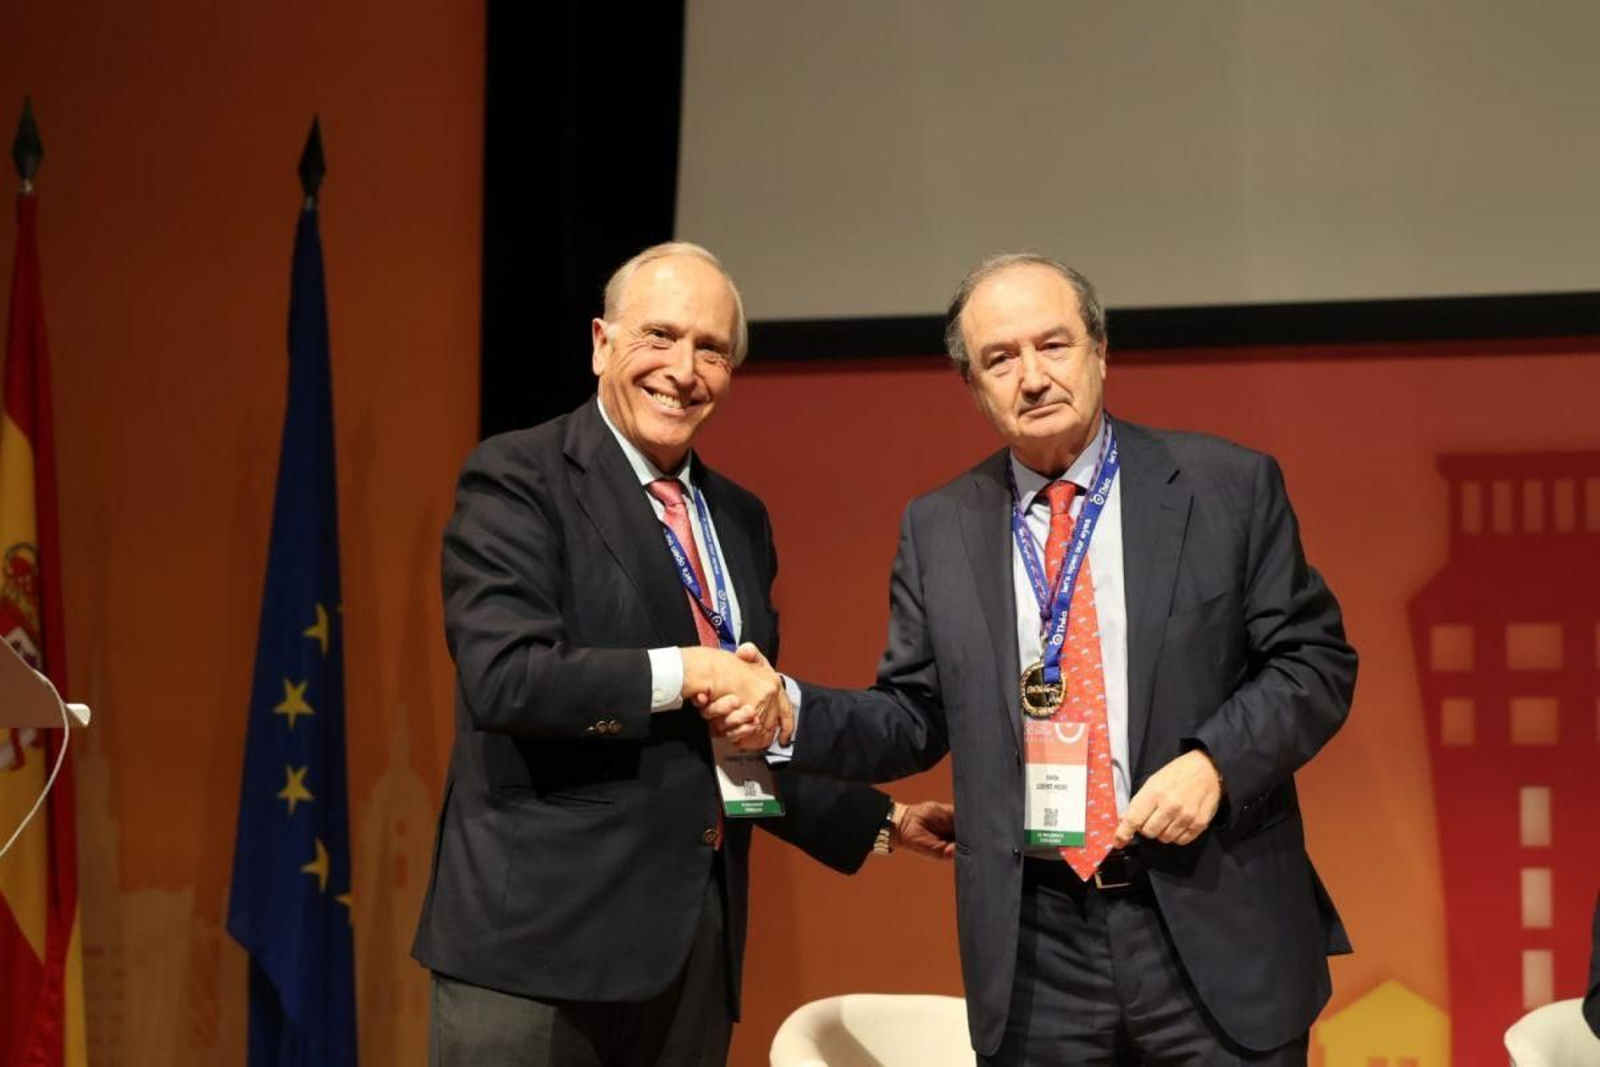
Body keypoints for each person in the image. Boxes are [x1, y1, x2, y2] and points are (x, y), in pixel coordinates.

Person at [707, 253, 1357, 1063]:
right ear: (974, 385)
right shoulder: (940, 525)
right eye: (1000, 358)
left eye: (1053, 345)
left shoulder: (1224, 486)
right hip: (1038, 946)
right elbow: (913, 716)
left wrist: (1214, 765)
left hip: (1211, 917)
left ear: (1100, 350)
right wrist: (789, 708)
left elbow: (1313, 661)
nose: (1034, 376)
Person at [412, 242, 951, 1066]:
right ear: (600, 342)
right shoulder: (519, 477)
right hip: (534, 954)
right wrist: (688, 667)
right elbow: (506, 678)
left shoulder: (738, 518)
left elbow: (731, 734)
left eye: (712, 348)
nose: (683, 368)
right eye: (658, 335)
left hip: (690, 956)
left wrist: (883, 821)